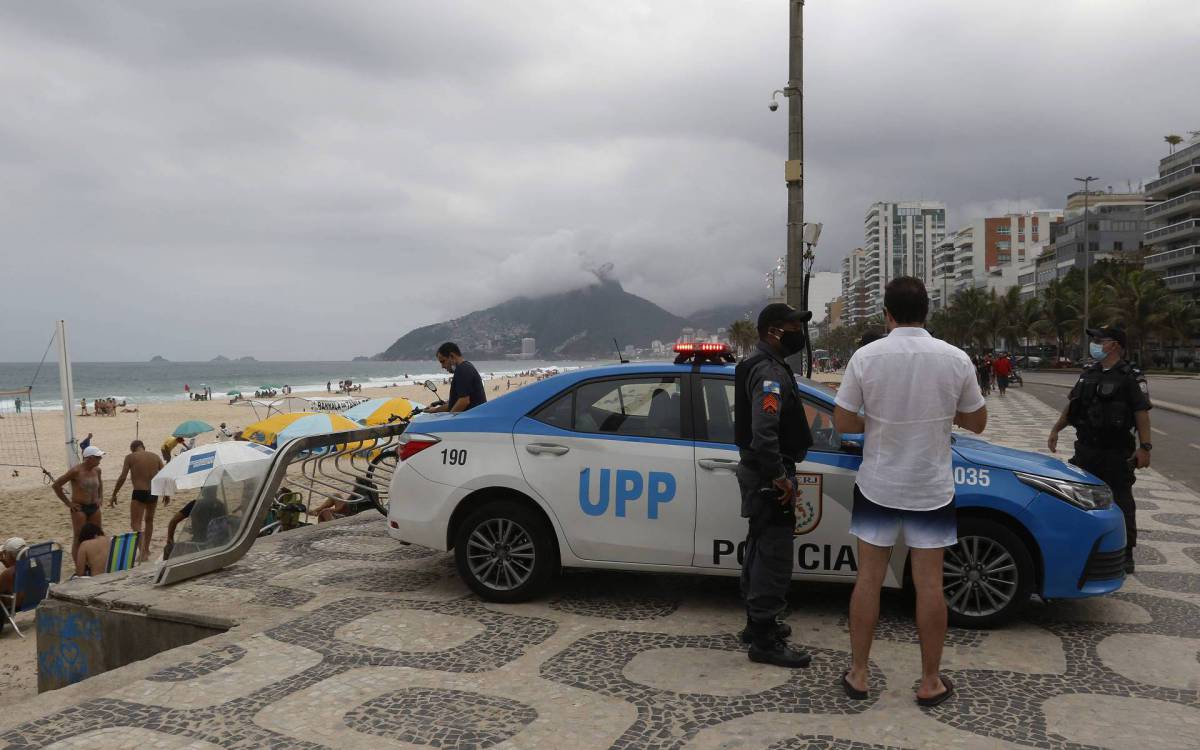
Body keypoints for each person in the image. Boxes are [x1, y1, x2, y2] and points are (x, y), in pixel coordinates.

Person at [833, 276, 987, 706]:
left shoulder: (866, 357)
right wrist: (939, 414)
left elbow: (843, 422)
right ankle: (930, 681)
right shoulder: (955, 359)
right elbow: (977, 423)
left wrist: (878, 421)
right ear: (927, 312)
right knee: (930, 585)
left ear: (886, 314)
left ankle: (860, 674)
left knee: (868, 579)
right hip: (931, 487)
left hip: (878, 484)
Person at [734, 302, 814, 669]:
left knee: (761, 545)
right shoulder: (767, 372)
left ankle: (757, 623)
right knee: (774, 554)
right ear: (773, 332)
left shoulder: (767, 365)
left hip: (763, 471)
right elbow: (764, 432)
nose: (799, 333)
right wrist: (779, 476)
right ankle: (764, 640)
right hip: (770, 473)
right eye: (792, 326)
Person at [1047, 325, 1151, 573]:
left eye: (1099, 340)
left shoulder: (1131, 375)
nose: (1094, 344)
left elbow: (1141, 413)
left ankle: (1126, 552)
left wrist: (1145, 447)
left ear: (1114, 345)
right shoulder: (1088, 373)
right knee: (1078, 499)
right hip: (1086, 450)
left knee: (1122, 501)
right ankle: (1082, 545)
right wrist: (1056, 429)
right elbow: (1073, 406)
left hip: (1116, 452)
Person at [110, 440, 166, 562]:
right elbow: (165, 474)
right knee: (149, 520)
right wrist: (166, 493)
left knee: (135, 523)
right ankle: (146, 548)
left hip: (139, 492)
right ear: (143, 447)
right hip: (153, 492)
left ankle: (143, 552)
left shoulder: (130, 457)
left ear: (132, 448)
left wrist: (114, 493)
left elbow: (123, 476)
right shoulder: (155, 456)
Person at [52, 446, 106, 557]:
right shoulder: (76, 471)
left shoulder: (97, 470)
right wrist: (68, 503)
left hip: (94, 507)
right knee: (79, 537)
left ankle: (94, 560)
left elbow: (100, 484)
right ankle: (78, 566)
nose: (100, 459)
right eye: (98, 457)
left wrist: (100, 497)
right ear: (89, 458)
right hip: (79, 508)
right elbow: (56, 485)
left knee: (98, 534)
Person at [426, 342, 487, 413]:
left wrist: (449, 420)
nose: (442, 366)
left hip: (472, 420)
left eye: (443, 361)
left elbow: (464, 401)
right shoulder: (466, 366)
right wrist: (435, 410)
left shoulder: (462, 370)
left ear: (452, 356)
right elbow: (455, 404)